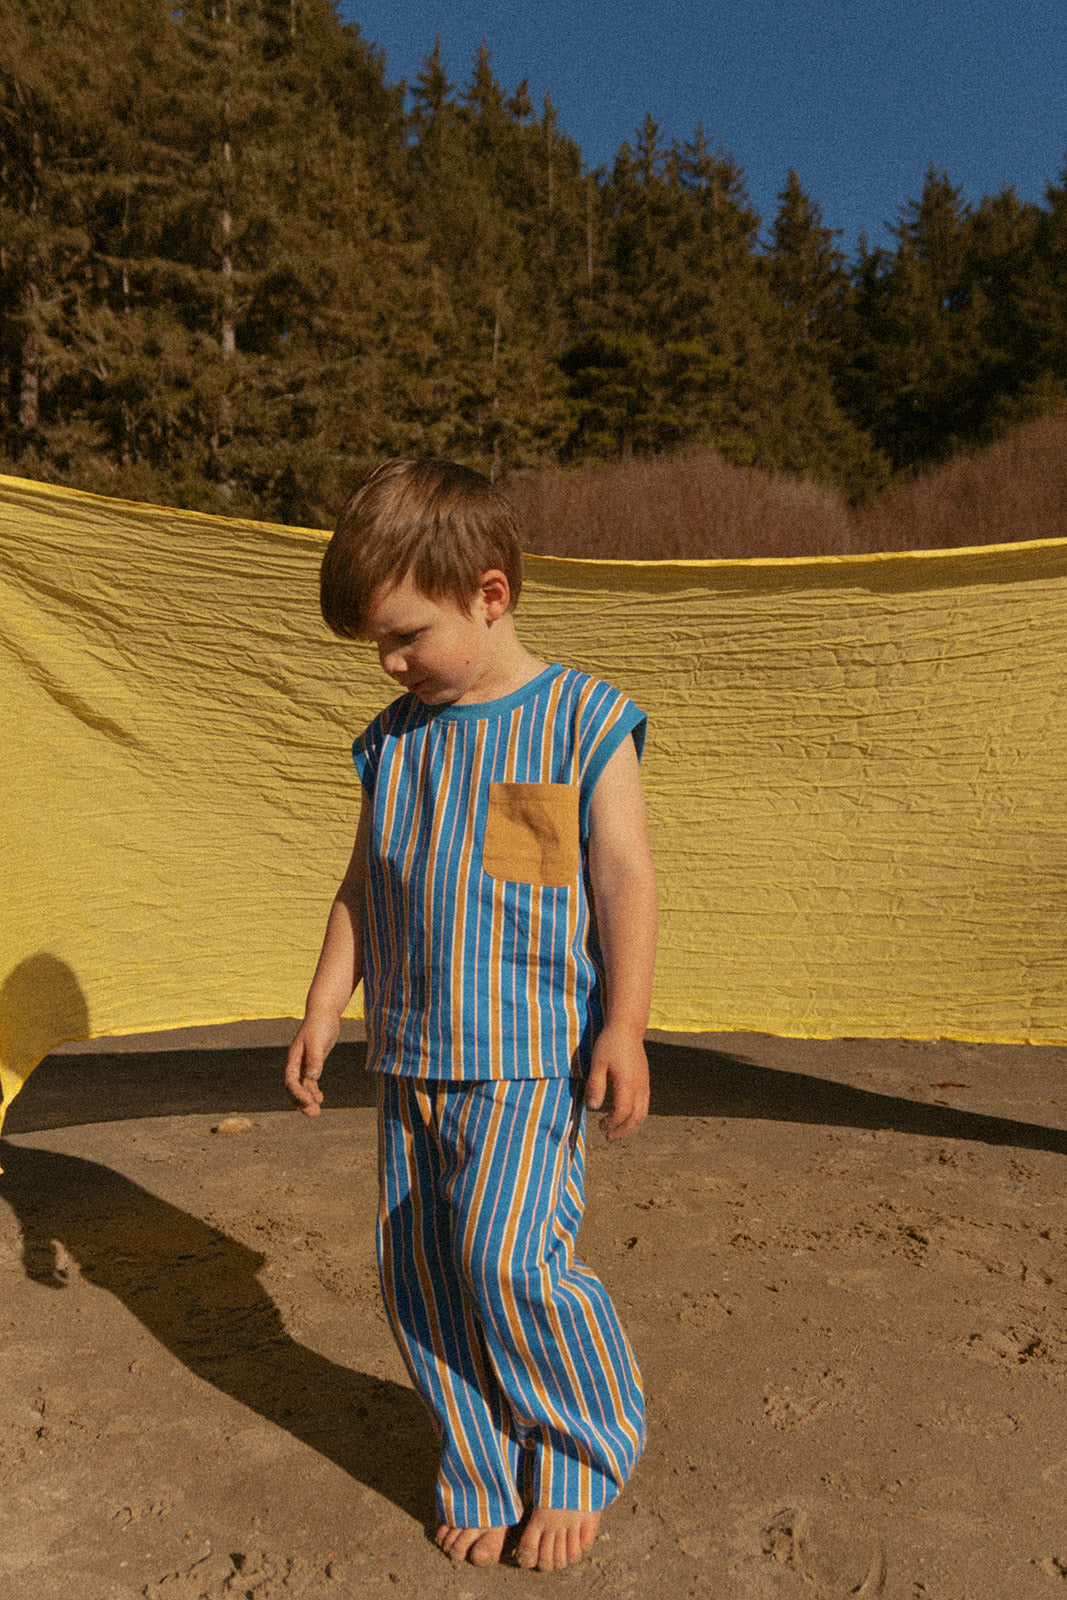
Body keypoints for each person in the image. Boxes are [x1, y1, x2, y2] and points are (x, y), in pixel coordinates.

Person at [285, 458, 658, 1572]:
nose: (390, 663)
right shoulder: (389, 740)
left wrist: (624, 1025)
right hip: (407, 1056)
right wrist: (324, 1003)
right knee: (422, 1277)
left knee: (508, 1259)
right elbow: (363, 882)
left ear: (488, 595)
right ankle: (481, 1460)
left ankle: (579, 1445)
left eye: (405, 636)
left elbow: (623, 876)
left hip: (528, 1059)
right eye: (376, 646)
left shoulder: (584, 719)